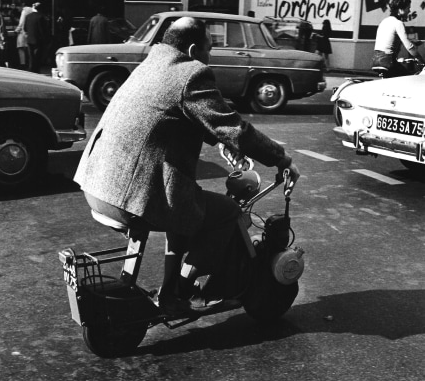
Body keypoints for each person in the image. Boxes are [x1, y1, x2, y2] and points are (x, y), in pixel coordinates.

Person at [73, 16, 300, 316]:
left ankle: (171, 293)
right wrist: (281, 159)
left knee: (185, 201)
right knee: (226, 213)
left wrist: (222, 142)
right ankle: (183, 286)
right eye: (209, 49)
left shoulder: (151, 65)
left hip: (98, 186)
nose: (210, 57)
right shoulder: (191, 73)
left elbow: (183, 114)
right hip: (131, 198)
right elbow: (235, 128)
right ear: (193, 49)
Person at [372, 0, 425, 77]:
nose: (409, 11)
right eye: (408, 8)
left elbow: (390, 40)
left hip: (376, 61)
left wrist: (413, 42)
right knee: (409, 80)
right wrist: (420, 60)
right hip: (388, 61)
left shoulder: (384, 21)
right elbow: (409, 47)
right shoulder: (398, 23)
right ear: (400, 9)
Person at [24, 2, 50, 73]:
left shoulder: (28, 16)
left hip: (30, 39)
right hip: (38, 39)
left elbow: (25, 28)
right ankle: (36, 70)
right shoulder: (41, 17)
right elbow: (43, 30)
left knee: (31, 56)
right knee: (37, 57)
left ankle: (31, 69)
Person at [15, 0, 33, 70]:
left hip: (23, 33)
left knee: (21, 48)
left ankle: (23, 64)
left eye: (18, 7)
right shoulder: (32, 9)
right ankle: (29, 64)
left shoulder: (24, 11)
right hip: (30, 32)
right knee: (29, 50)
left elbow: (21, 23)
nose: (18, 9)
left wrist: (16, 30)